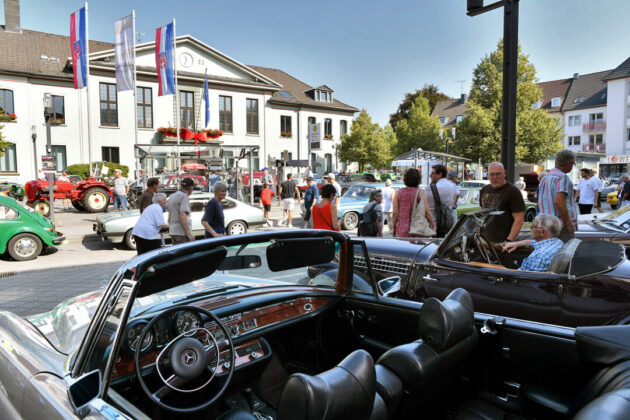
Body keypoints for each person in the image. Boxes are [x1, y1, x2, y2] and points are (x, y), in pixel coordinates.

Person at [537, 149, 579, 242]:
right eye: (573, 164)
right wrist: (568, 223)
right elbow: (559, 202)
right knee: (562, 254)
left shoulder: (545, 178)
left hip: (545, 225)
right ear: (569, 163)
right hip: (560, 226)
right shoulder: (562, 177)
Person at [479, 162, 525, 243]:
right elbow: (482, 214)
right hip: (484, 239)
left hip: (503, 242)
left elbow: (519, 219)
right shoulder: (484, 190)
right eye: (491, 174)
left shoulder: (513, 192)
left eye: (498, 174)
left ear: (505, 173)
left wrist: (509, 240)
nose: (494, 177)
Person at [392, 168, 435, 237]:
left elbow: (395, 213)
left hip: (401, 230)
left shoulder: (398, 193)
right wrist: (433, 225)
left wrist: (394, 227)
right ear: (418, 179)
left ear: (405, 178)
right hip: (417, 230)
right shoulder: (420, 193)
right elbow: (427, 211)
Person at [425, 164, 456, 237]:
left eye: (433, 173)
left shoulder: (431, 187)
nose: (430, 175)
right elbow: (452, 203)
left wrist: (431, 184)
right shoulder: (452, 186)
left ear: (440, 175)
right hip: (445, 222)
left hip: (432, 223)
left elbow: (426, 206)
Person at [167, 178, 195, 244]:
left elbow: (169, 217)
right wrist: (189, 233)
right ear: (191, 188)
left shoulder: (172, 196)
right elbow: (182, 215)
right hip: (181, 233)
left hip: (173, 231)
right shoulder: (184, 196)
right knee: (185, 253)